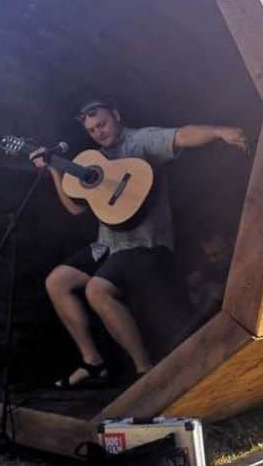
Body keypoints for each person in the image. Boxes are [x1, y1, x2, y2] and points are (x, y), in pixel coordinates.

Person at [31, 99, 249, 388]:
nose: (98, 132)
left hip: (144, 244)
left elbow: (181, 135)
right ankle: (93, 362)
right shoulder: (92, 160)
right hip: (108, 245)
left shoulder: (140, 142)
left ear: (116, 115)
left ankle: (144, 370)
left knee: (97, 289)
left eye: (102, 124)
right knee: (57, 281)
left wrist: (219, 132)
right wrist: (54, 171)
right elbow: (74, 209)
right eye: (92, 130)